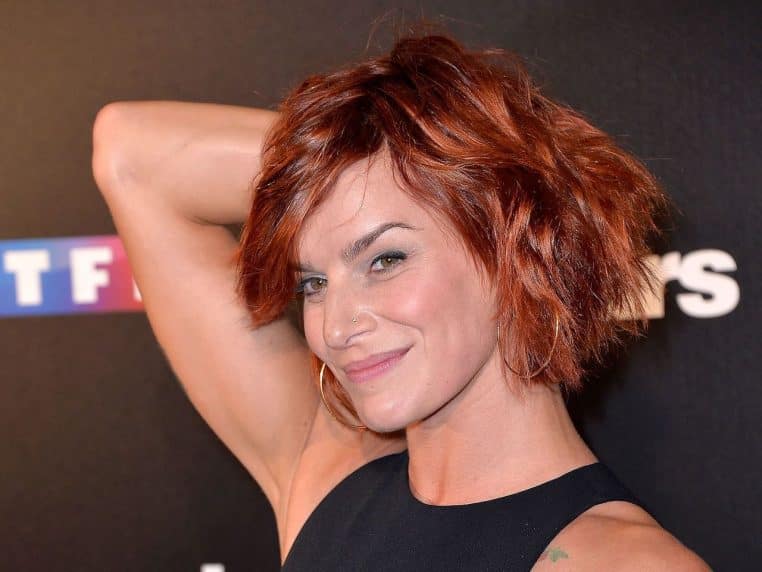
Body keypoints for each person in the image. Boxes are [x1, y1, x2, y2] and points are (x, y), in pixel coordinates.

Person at [92, 33, 710, 571]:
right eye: (314, 283)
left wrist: (467, 165)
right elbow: (128, 153)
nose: (336, 327)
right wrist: (352, 155)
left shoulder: (621, 562)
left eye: (384, 260)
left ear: (513, 246)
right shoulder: (325, 478)